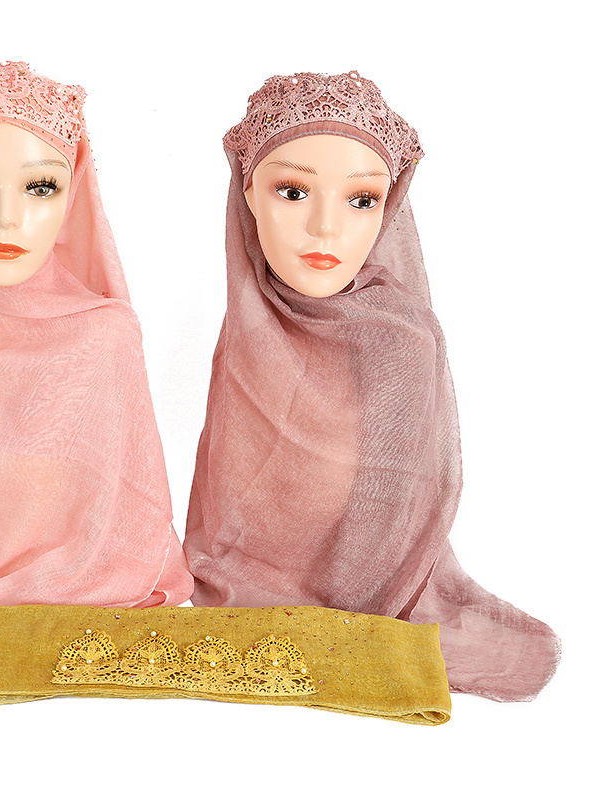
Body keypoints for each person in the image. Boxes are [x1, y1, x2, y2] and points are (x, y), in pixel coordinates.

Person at [184, 71, 559, 701]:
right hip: (229, 592)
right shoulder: (251, 315)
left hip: (357, 596)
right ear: (247, 191)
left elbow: (388, 505)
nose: (325, 228)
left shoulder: (398, 341)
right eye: (293, 190)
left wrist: (335, 624)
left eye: (361, 199)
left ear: (391, 204)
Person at [0, 62, 192, 626]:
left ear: (71, 194)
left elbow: (129, 517)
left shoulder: (102, 339)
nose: (5, 218)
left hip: (93, 620)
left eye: (39, 187)